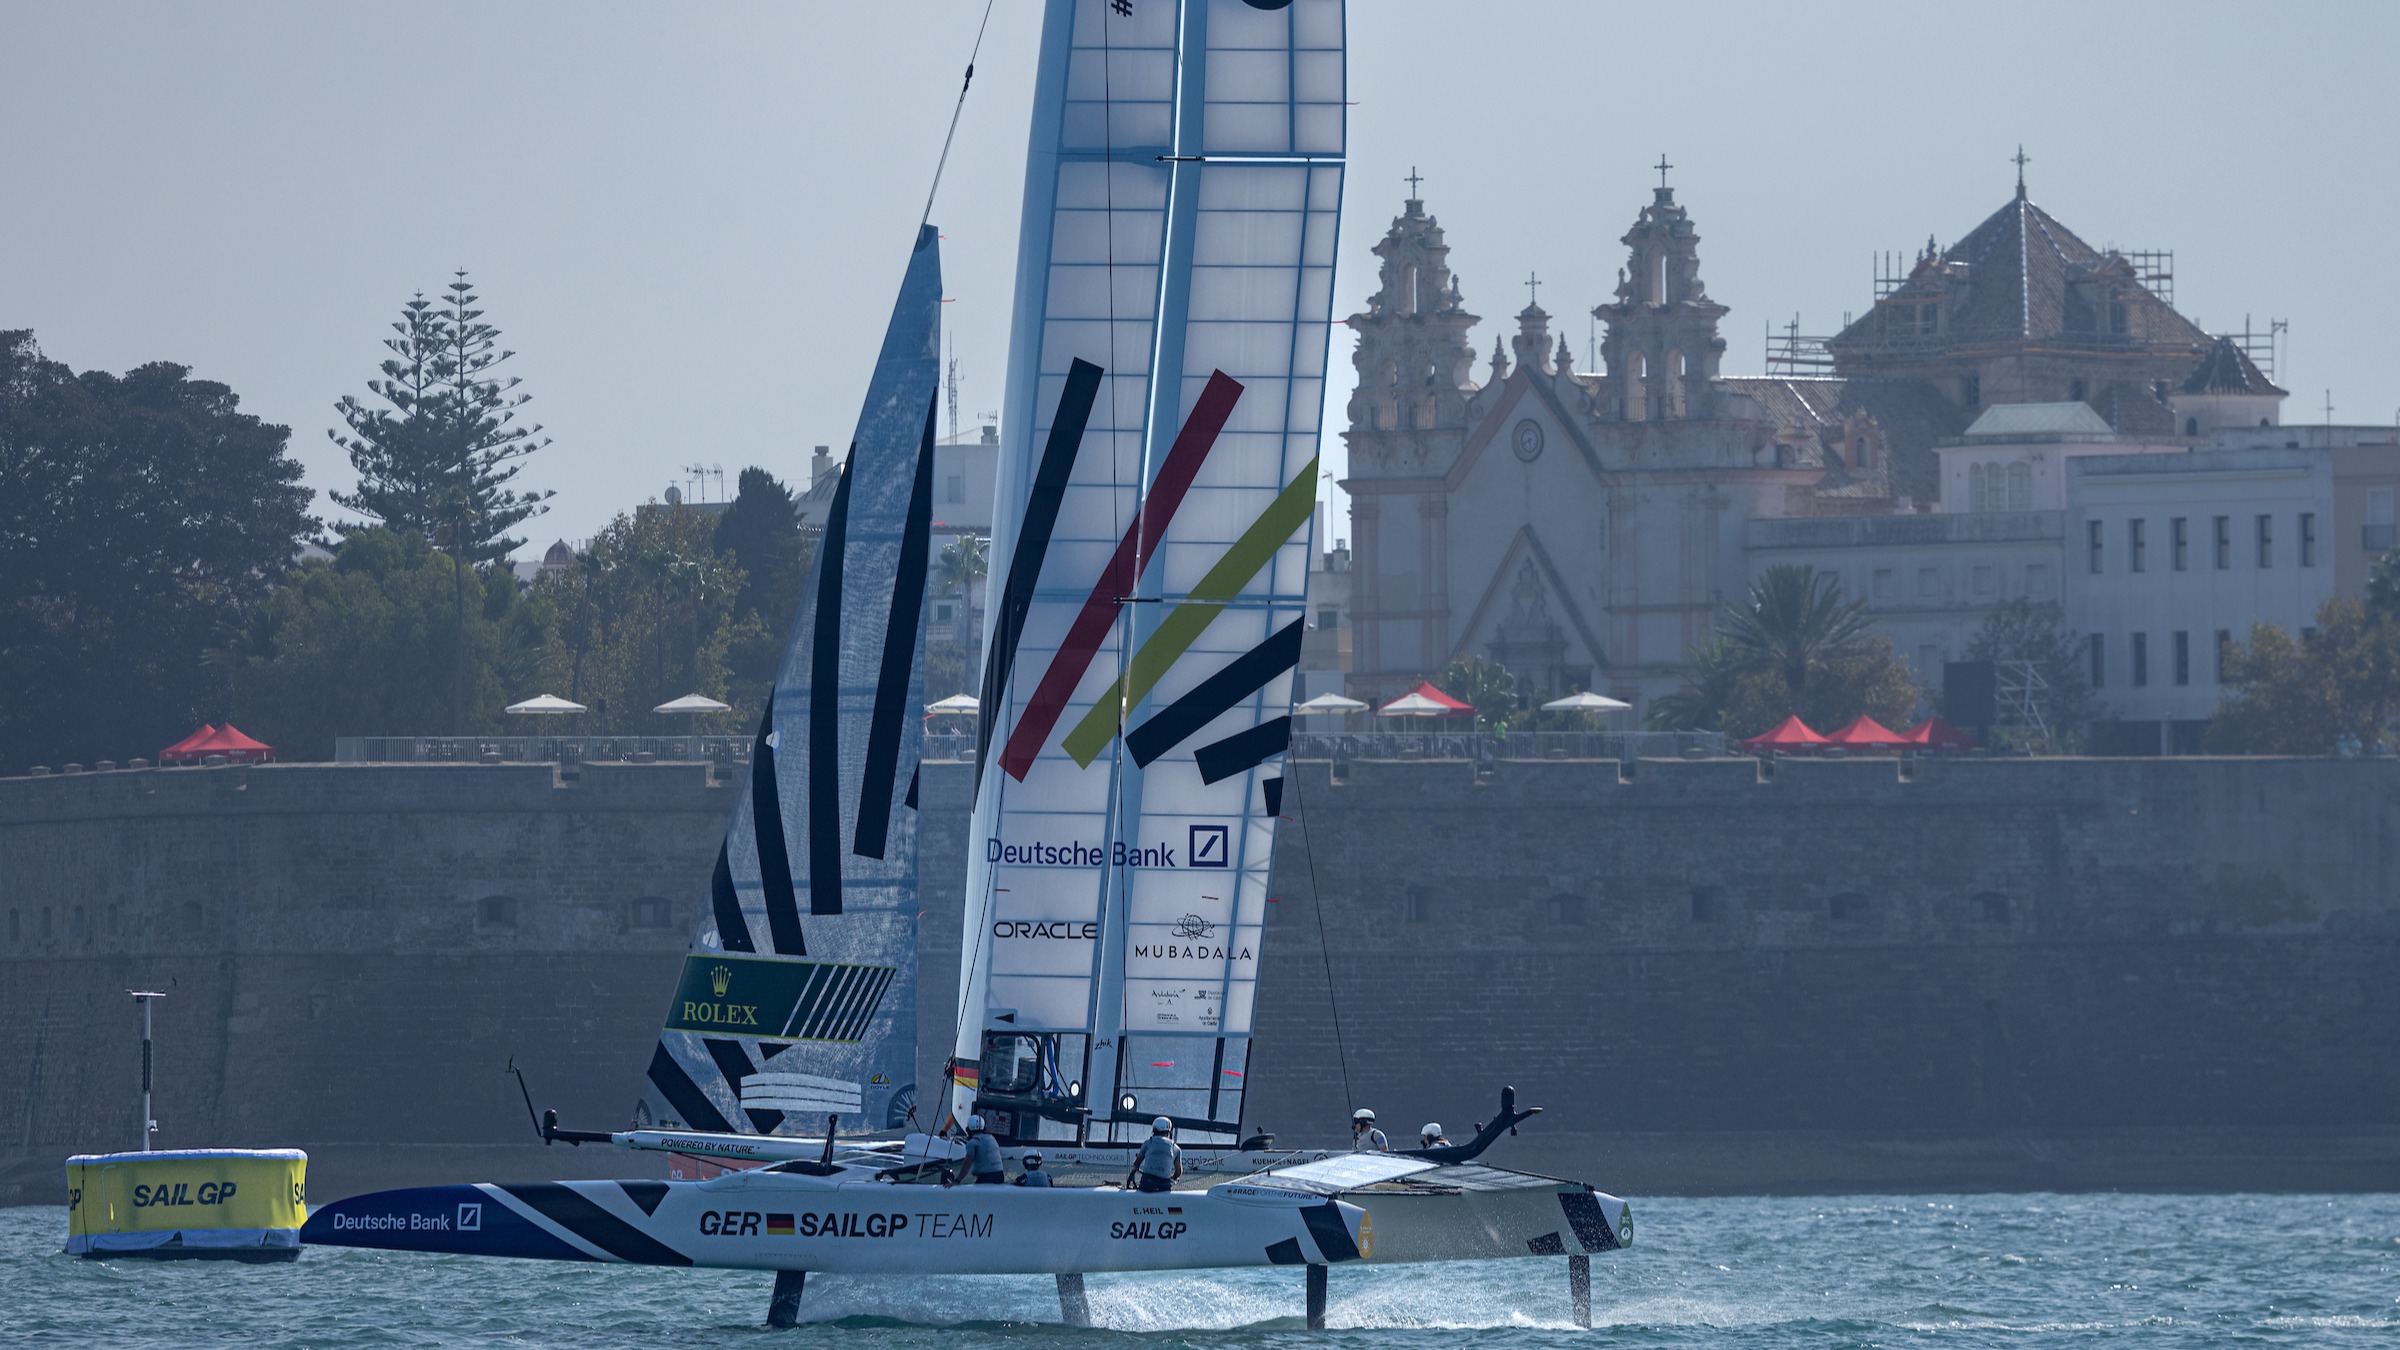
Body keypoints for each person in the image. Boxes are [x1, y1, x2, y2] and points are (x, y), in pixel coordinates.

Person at [1126, 1116, 1182, 1193]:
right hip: (1164, 1186)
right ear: (1169, 1131)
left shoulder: (1147, 1143)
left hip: (1146, 1185)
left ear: (1154, 1130)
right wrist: (1172, 1178)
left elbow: (1136, 1164)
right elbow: (1178, 1172)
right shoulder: (1176, 1148)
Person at [965, 1114, 1005, 1184]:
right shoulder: (991, 1138)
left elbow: (967, 1163)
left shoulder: (972, 1143)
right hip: (1000, 1176)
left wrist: (957, 1180)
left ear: (968, 1129)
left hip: (987, 1177)